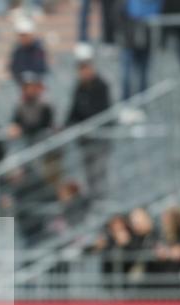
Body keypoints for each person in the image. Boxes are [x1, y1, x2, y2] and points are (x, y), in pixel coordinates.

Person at [66, 44, 111, 200]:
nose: (84, 72)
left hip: (99, 138)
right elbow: (73, 111)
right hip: (84, 140)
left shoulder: (101, 86)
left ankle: (101, 201)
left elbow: (103, 111)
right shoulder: (79, 88)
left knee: (99, 173)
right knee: (89, 173)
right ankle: (94, 202)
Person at [8, 19, 48, 87]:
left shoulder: (39, 49)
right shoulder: (17, 51)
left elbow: (41, 68)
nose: (23, 38)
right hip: (21, 85)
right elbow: (14, 68)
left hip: (37, 84)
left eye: (25, 35)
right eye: (21, 35)